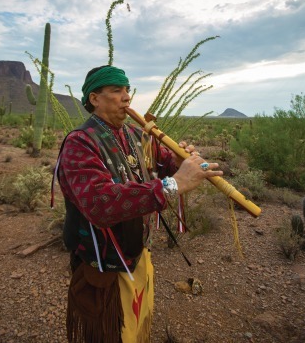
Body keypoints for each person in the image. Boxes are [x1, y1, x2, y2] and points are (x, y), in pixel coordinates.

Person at [53, 65, 222, 343]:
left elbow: (161, 166)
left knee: (138, 324)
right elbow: (99, 204)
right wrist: (174, 184)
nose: (126, 97)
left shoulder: (134, 134)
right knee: (111, 332)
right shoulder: (80, 143)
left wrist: (179, 162)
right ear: (95, 99)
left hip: (137, 251)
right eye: (117, 90)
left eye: (127, 89)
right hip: (103, 264)